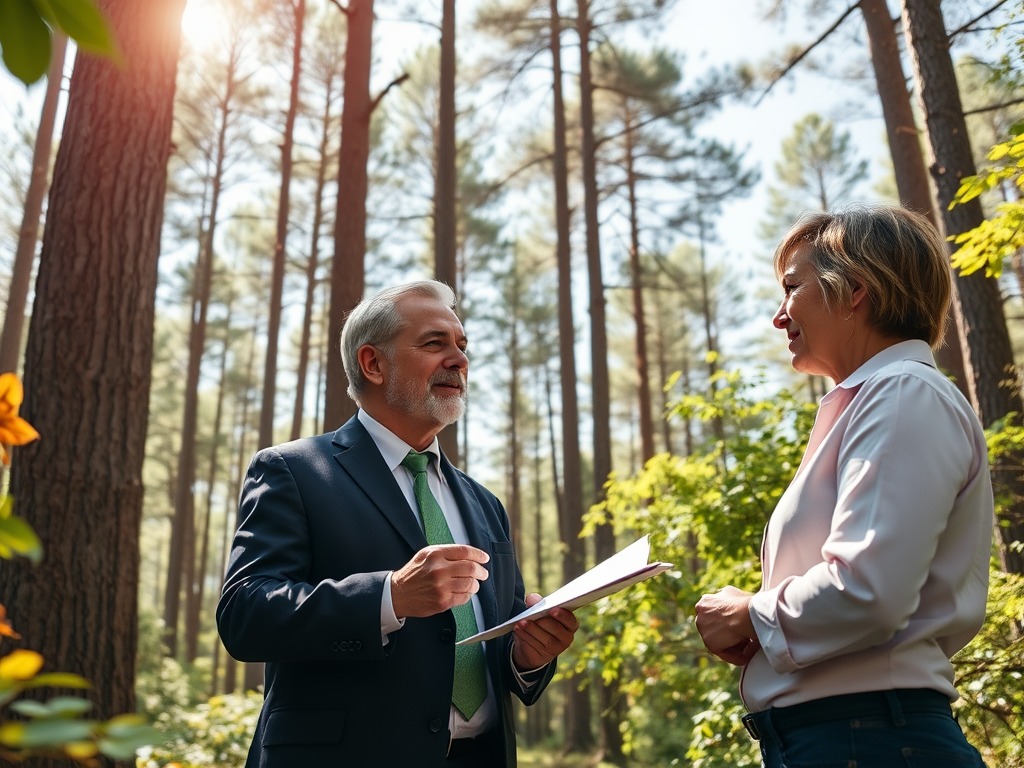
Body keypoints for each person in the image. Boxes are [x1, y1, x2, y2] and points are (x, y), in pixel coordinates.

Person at [217, 280, 579, 768]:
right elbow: (245, 614)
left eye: (462, 346)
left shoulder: (484, 502)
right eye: (435, 343)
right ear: (373, 363)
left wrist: (528, 658)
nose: (458, 359)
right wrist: (389, 597)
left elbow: (484, 639)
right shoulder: (292, 471)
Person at [694, 206, 993, 767]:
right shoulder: (881, 399)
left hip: (868, 738)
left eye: (791, 288)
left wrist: (751, 616)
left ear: (855, 289)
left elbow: (868, 589)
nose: (779, 317)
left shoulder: (902, 392)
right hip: (852, 736)